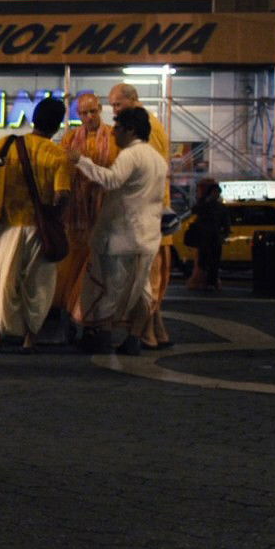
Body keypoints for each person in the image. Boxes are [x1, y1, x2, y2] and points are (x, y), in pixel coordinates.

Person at [0, 98, 72, 353]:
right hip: (39, 230)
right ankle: (29, 339)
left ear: (33, 119)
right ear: (57, 126)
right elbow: (62, 195)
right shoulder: (58, 156)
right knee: (36, 286)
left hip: (8, 226)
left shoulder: (8, 144)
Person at [65, 106, 168, 355]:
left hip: (122, 235)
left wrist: (81, 161)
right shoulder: (158, 159)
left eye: (118, 128)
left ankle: (103, 336)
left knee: (109, 287)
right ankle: (134, 339)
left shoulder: (130, 155)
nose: (114, 133)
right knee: (141, 290)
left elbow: (111, 180)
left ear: (130, 130)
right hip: (148, 236)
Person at [108, 82, 173, 349]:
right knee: (150, 277)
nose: (114, 111)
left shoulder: (144, 128)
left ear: (133, 100)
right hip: (155, 214)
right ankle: (157, 332)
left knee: (146, 278)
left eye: (118, 105)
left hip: (147, 216)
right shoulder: (152, 124)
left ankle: (144, 334)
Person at [53, 93, 116, 336]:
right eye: (83, 113)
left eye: (93, 111)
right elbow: (61, 168)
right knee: (71, 269)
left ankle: (97, 322)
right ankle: (70, 315)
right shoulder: (70, 138)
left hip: (103, 212)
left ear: (100, 109)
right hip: (76, 217)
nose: (89, 117)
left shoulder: (114, 137)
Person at [185, 178, 230, 292]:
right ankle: (208, 282)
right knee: (206, 261)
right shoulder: (209, 206)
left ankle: (210, 282)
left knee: (210, 261)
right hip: (208, 238)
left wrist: (223, 234)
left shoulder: (216, 207)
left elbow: (226, 224)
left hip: (210, 238)